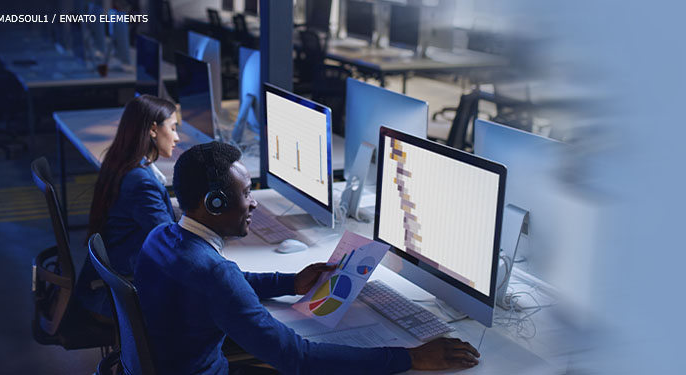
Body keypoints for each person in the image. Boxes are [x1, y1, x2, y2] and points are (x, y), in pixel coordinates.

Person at [135, 142, 481, 374]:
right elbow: (297, 358)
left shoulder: (161, 236)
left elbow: (220, 284)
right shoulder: (214, 276)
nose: (253, 203)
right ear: (215, 204)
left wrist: (289, 282)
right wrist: (411, 357)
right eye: (246, 194)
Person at [76, 95, 180, 317]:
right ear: (153, 130)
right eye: (173, 128)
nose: (177, 137)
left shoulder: (125, 163)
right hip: (117, 295)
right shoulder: (140, 181)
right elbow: (170, 241)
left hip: (109, 283)